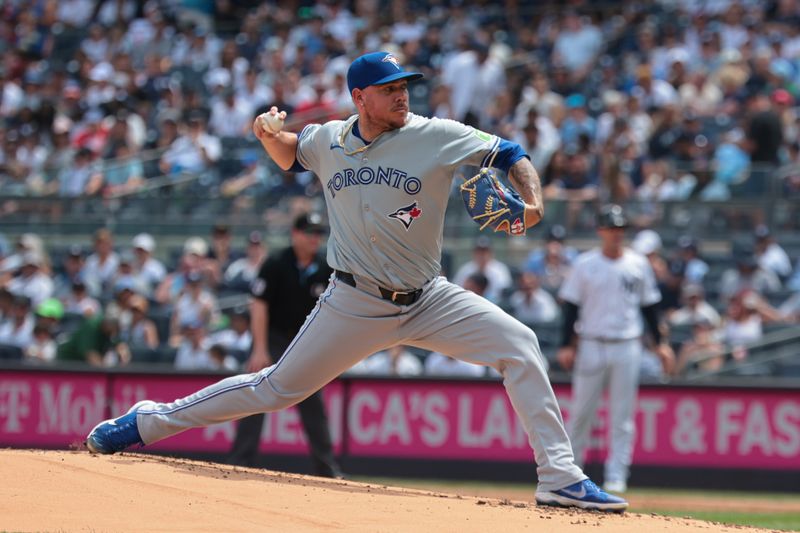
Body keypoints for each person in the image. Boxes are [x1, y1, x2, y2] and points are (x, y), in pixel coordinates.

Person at [85, 51, 626, 512]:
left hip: (428, 297)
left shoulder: (434, 135)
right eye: (390, 89)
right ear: (359, 97)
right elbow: (290, 154)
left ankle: (558, 477)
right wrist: (267, 134)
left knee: (521, 344)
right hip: (354, 300)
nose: (402, 96)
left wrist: (532, 201)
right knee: (273, 390)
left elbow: (509, 153)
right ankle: (147, 423)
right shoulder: (327, 140)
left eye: (405, 87)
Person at [557, 204, 674, 495]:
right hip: (592, 343)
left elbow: (650, 308)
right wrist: (565, 345)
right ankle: (572, 474)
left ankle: (616, 477)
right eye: (611, 228)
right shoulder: (585, 264)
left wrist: (660, 344)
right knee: (582, 414)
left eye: (620, 228)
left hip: (627, 344)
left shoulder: (637, 264)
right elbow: (571, 308)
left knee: (622, 416)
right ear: (600, 230)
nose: (616, 233)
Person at [228, 213, 342, 478]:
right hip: (274, 339)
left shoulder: (326, 266)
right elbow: (259, 306)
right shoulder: (276, 263)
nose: (315, 238)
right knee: (257, 397)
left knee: (313, 404)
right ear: (295, 234)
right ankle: (240, 462)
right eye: (309, 232)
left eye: (318, 233)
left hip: (305, 342)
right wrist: (259, 348)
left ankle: (326, 469)